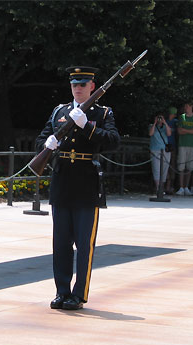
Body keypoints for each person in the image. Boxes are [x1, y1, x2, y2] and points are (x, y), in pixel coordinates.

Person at [35, 66, 120, 310]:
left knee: (84, 244)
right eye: (75, 84)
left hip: (86, 184)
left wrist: (88, 127)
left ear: (92, 86)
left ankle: (78, 294)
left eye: (83, 84)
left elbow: (113, 141)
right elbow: (41, 141)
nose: (78, 88)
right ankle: (62, 291)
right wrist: (48, 143)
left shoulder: (103, 112)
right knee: (60, 243)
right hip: (62, 182)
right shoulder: (59, 112)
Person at [176, 100, 193, 195]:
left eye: (187, 106)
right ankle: (181, 187)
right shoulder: (182, 117)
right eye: (185, 106)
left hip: (192, 144)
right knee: (181, 166)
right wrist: (191, 130)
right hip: (182, 144)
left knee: (190, 167)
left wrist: (185, 130)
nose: (185, 108)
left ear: (191, 106)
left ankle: (186, 187)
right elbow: (179, 131)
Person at [149, 112, 171, 192]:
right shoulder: (152, 126)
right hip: (155, 150)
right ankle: (158, 188)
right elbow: (150, 133)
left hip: (165, 150)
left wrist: (165, 122)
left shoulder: (165, 127)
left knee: (165, 168)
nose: (159, 119)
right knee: (156, 168)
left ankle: (162, 187)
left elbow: (169, 134)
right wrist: (155, 123)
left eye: (161, 118)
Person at [165, 107, 178, 194]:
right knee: (165, 166)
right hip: (165, 146)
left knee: (172, 166)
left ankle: (171, 186)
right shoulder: (164, 121)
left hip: (172, 146)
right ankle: (165, 186)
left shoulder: (176, 122)